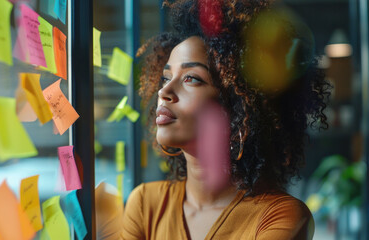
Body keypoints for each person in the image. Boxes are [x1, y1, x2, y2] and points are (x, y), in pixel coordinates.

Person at [121, 0, 331, 239]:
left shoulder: (280, 216)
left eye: (191, 78)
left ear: (240, 106)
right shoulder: (145, 204)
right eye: (166, 77)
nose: (164, 92)